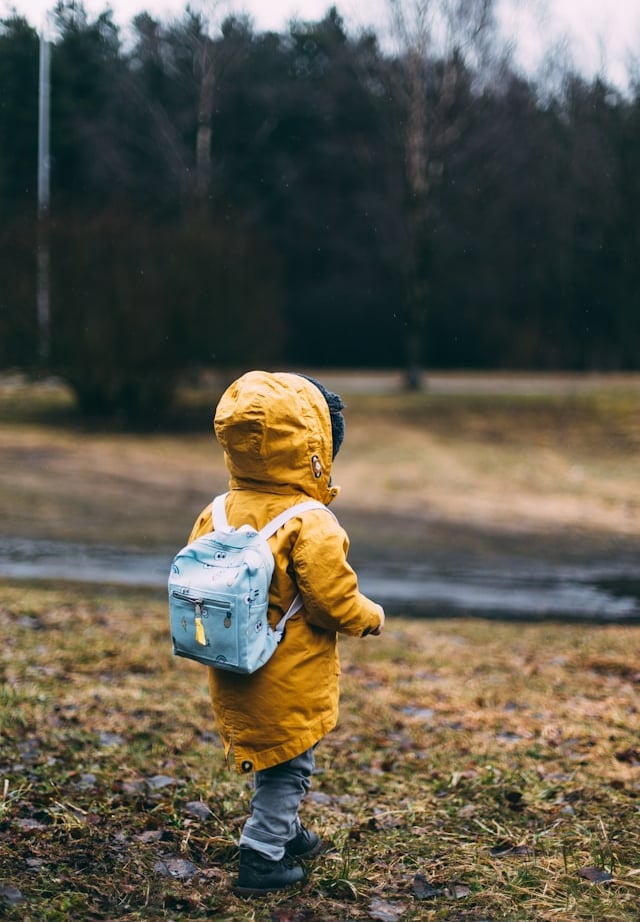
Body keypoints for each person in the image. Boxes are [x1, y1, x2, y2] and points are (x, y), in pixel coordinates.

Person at [187, 370, 385, 897]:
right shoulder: (310, 520)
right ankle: (263, 854)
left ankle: (287, 831)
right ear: (314, 449)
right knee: (291, 764)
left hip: (233, 665)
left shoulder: (219, 511)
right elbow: (331, 600)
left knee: (275, 754)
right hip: (288, 671)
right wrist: (370, 616)